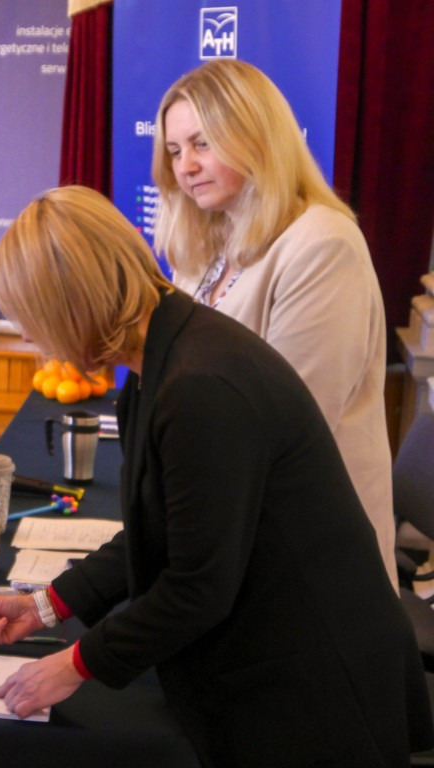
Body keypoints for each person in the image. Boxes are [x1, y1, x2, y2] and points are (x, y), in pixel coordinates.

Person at [0, 185, 432, 767]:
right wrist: (48, 603)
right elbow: (159, 530)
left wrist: (75, 664)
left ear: (72, 304)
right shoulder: (165, 357)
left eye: (30, 318)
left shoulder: (198, 388)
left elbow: (198, 586)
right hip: (285, 649)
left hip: (316, 685)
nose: (31, 337)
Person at [151, 59, 397, 589]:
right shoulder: (206, 244)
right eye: (173, 151)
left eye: (202, 144)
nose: (185, 166)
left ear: (256, 136)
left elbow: (289, 424)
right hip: (233, 535)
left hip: (312, 561)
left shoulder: (322, 244)